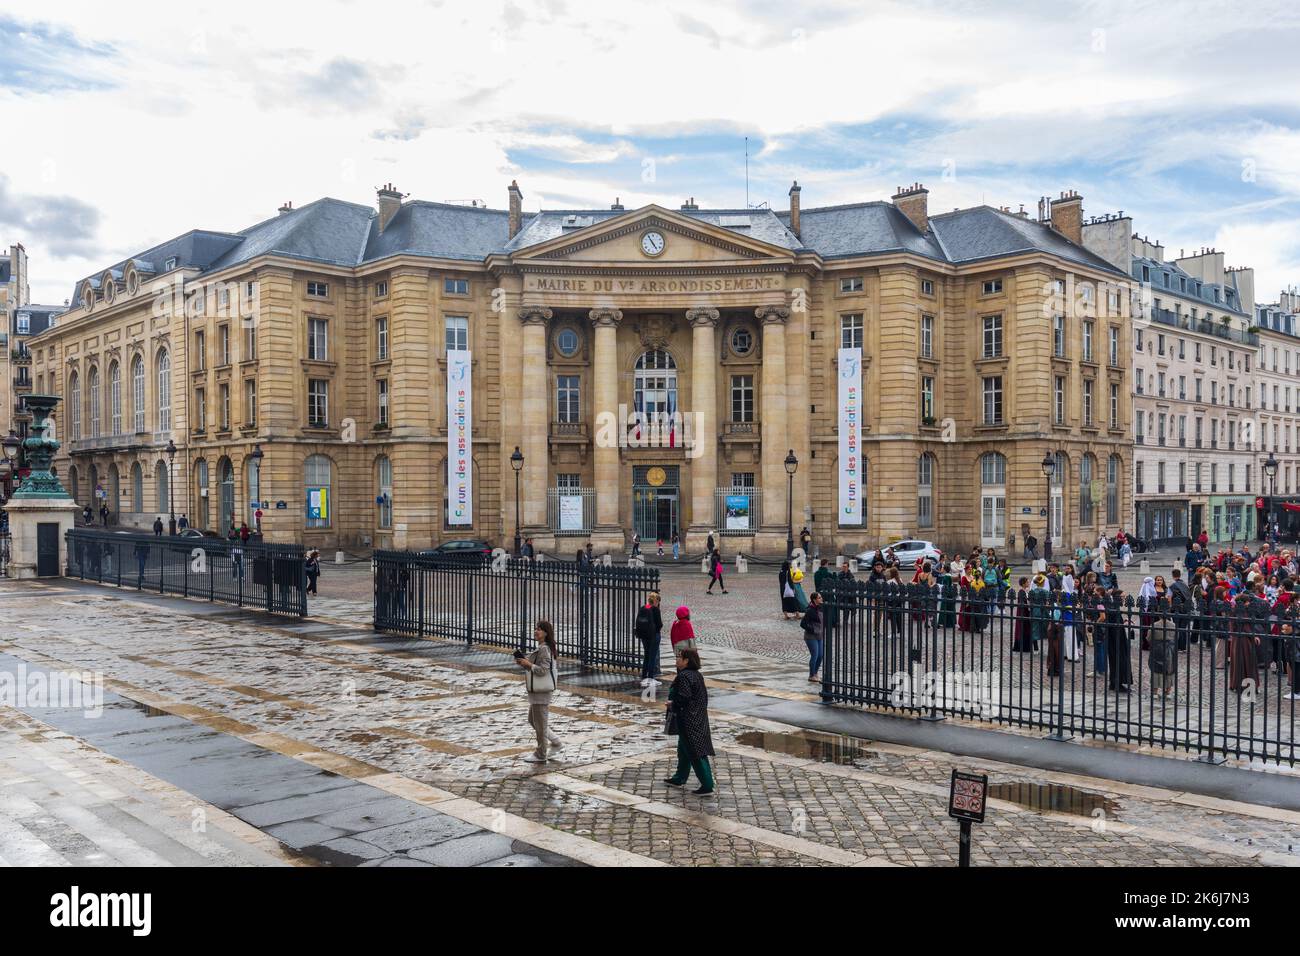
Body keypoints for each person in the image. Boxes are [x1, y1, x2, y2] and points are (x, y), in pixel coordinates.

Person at [663, 648, 715, 795]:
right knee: (684, 750)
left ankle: (707, 784)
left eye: (680, 657)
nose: (677, 659)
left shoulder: (685, 676)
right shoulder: (696, 675)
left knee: (695, 752)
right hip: (696, 718)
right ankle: (679, 777)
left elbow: (684, 698)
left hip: (688, 720)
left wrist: (671, 704)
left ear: (686, 661)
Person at [516, 620, 563, 763]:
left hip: (541, 692)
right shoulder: (543, 647)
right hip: (538, 693)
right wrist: (525, 663)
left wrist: (528, 664)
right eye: (535, 628)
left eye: (539, 629)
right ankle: (556, 741)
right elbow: (538, 667)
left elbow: (542, 670)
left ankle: (541, 754)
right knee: (533, 720)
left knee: (540, 725)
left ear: (546, 633)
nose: (536, 631)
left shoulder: (544, 649)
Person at [635, 591, 664, 687]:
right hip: (654, 635)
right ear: (656, 601)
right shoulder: (656, 609)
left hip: (644, 635)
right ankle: (650, 677)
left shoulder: (643, 607)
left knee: (647, 655)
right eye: (658, 601)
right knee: (652, 656)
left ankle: (644, 676)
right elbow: (659, 624)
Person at [800, 592, 824, 683]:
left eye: (821, 597)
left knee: (820, 655)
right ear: (814, 600)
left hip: (820, 636)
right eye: (819, 598)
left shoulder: (821, 608)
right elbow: (802, 624)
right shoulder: (810, 610)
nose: (821, 599)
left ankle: (815, 673)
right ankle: (811, 675)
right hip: (811, 636)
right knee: (815, 655)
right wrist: (813, 630)